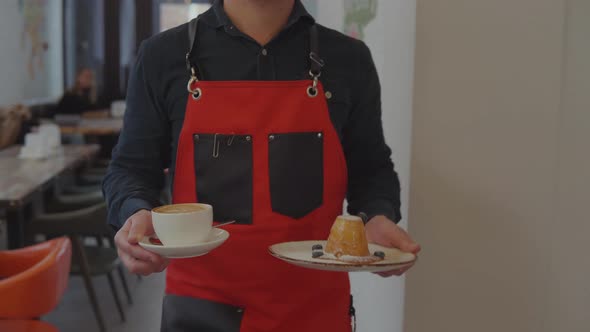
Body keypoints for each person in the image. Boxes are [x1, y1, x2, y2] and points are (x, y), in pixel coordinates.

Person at [102, 1, 421, 331]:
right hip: (202, 309)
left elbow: (372, 169)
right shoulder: (161, 55)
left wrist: (375, 216)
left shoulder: (349, 58)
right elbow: (130, 169)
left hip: (314, 310)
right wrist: (134, 212)